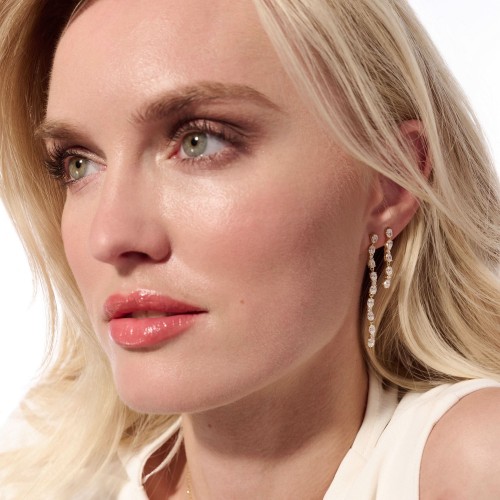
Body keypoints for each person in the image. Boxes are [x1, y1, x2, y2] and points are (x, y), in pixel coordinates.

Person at [0, 0, 499, 498]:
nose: (109, 238)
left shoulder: (471, 463)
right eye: (78, 164)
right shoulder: (47, 478)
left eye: (199, 142)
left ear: (389, 181)